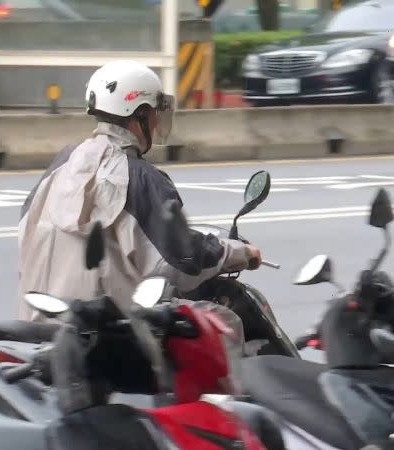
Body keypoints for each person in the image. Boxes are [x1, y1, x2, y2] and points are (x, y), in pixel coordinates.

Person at [16, 60, 261, 351]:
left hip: (37, 327)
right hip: (104, 337)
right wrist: (241, 253)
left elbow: (26, 230)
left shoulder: (62, 163)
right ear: (140, 114)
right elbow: (182, 259)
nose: (157, 122)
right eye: (154, 114)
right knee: (223, 323)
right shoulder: (140, 177)